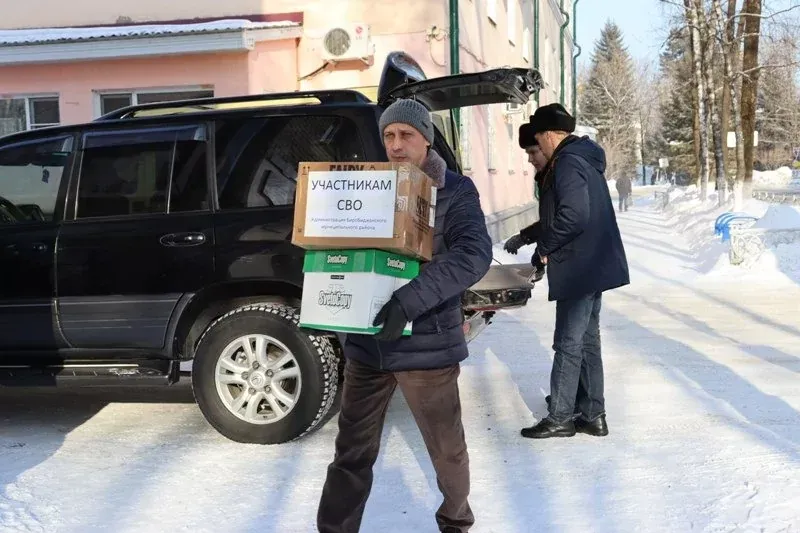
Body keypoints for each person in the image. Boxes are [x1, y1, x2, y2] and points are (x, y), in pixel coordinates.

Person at [317, 98, 493, 533]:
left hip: (426, 346)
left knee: (447, 451)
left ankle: (455, 520)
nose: (395, 145)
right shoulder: (368, 185)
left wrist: (408, 301)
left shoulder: (455, 191)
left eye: (406, 135)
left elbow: (474, 254)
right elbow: (341, 244)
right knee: (350, 452)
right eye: (388, 136)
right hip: (369, 345)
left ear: (425, 139)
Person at [517, 103, 630, 440]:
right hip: (592, 263)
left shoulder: (567, 161)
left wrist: (543, 248)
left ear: (549, 134)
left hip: (581, 266)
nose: (535, 147)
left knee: (568, 343)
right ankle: (593, 413)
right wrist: (531, 235)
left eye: (537, 138)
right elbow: (567, 213)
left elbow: (574, 216)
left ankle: (561, 416)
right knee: (587, 340)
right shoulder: (581, 158)